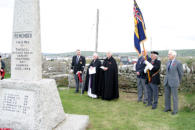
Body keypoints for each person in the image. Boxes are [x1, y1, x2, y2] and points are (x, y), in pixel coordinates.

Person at [164, 50, 183, 115]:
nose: (168, 55)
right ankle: (167, 108)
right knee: (167, 96)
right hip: (167, 82)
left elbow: (181, 74)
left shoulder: (178, 63)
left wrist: (178, 81)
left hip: (174, 82)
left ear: (173, 55)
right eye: (168, 54)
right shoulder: (168, 62)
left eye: (169, 54)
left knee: (174, 97)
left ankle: (175, 110)